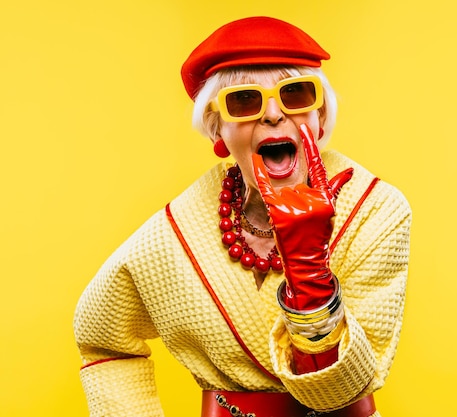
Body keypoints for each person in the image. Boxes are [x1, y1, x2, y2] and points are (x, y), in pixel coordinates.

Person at [74, 16, 412, 417]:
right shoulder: (175, 230)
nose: (272, 115)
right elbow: (102, 337)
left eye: (296, 94)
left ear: (320, 116)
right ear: (218, 128)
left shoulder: (377, 210)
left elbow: (345, 390)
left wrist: (310, 277)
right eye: (245, 100)